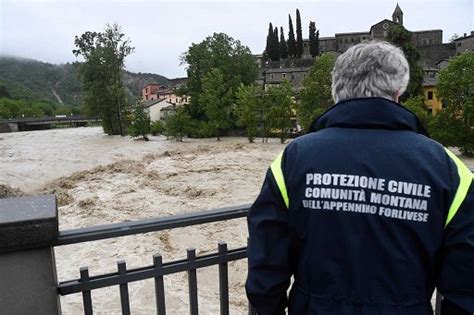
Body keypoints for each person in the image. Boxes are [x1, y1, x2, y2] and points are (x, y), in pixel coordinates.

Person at [245, 41, 474, 315]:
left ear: (336, 91)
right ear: (398, 92)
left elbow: (266, 265)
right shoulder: (446, 168)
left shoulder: (293, 159)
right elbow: (466, 282)